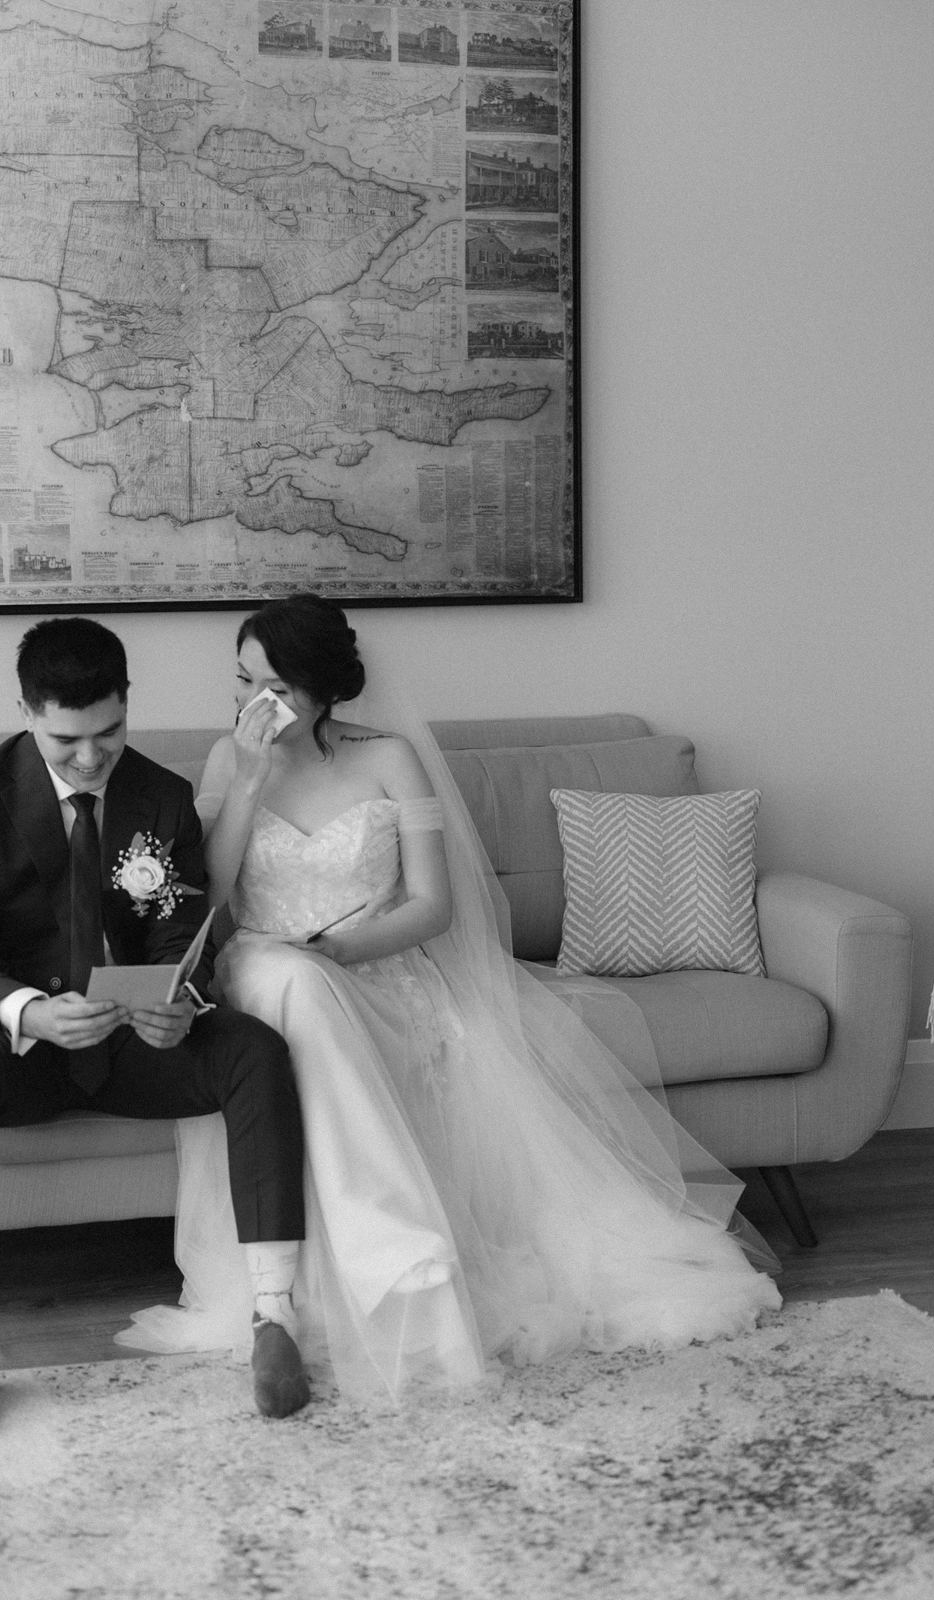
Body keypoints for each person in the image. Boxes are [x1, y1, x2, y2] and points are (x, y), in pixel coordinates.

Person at [119, 595, 781, 1401]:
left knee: (309, 987)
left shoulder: (390, 758)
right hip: (258, 964)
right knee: (288, 980)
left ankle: (343, 1274)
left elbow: (433, 907)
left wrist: (335, 950)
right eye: (242, 681)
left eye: (276, 688)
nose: (252, 703)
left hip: (373, 976)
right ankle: (392, 1247)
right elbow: (211, 904)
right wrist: (252, 778)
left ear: (325, 690)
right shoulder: (231, 759)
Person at [0, 617, 311, 1441]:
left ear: (126, 704)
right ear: (26, 710)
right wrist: (34, 1013)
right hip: (22, 1047)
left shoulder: (162, 795)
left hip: (134, 1045)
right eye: (66, 738)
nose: (89, 756)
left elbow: (181, 929)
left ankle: (274, 1317)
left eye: (108, 731)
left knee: (255, 1050)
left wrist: (178, 1002)